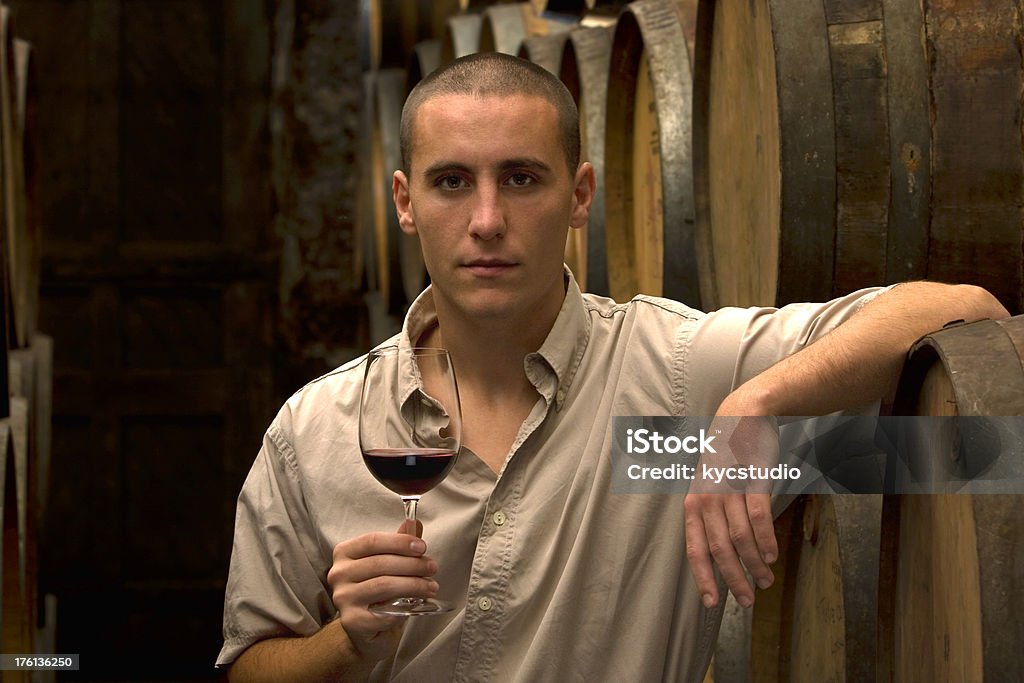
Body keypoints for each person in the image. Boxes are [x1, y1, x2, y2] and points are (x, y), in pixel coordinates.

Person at [218, 52, 1008, 682]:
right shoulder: (316, 431)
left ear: (580, 195)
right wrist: (343, 647)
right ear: (404, 201)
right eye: (452, 181)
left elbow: (965, 308)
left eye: (521, 178)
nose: (487, 220)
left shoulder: (671, 390)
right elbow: (251, 659)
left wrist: (756, 402)